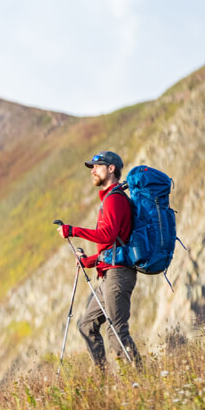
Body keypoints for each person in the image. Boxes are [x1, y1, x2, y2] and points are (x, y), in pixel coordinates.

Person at [57, 151, 144, 370]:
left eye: (97, 166)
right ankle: (102, 381)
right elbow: (115, 242)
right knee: (87, 325)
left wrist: (73, 230)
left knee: (116, 332)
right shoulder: (110, 199)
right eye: (92, 167)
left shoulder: (114, 199)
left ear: (112, 169)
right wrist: (91, 261)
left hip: (118, 276)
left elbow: (106, 235)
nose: (92, 170)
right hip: (109, 274)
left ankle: (142, 381)